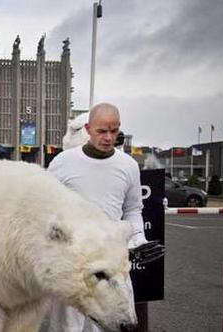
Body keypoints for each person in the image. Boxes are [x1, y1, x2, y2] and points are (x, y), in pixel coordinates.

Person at [41, 103, 148, 332]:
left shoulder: (128, 166)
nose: (109, 137)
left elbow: (132, 209)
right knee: (67, 327)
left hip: (112, 263)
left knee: (115, 323)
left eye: (114, 130)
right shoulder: (63, 162)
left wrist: (138, 239)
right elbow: (45, 208)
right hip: (74, 264)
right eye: (102, 131)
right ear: (88, 129)